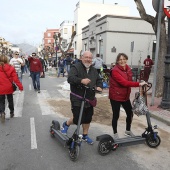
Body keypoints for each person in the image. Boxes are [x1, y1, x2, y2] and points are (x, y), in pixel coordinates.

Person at [61, 51, 103, 144]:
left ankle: (85, 135)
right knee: (77, 118)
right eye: (86, 57)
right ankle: (66, 124)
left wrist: (100, 86)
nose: (88, 59)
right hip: (77, 97)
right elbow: (70, 78)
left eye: (90, 58)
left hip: (89, 98)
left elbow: (99, 79)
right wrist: (81, 80)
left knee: (88, 118)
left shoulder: (94, 70)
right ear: (81, 58)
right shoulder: (75, 67)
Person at [109, 53, 147, 139]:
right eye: (120, 60)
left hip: (125, 96)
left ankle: (128, 131)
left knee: (130, 113)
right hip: (115, 96)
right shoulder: (115, 71)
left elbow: (130, 81)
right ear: (117, 61)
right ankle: (115, 134)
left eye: (124, 59)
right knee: (116, 115)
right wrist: (139, 84)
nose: (122, 61)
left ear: (126, 59)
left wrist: (141, 82)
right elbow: (124, 83)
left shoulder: (128, 69)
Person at [0, 55, 23, 122]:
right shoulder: (11, 68)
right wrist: (20, 87)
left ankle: (2, 112)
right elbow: (16, 79)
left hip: (0, 88)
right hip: (9, 87)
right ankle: (11, 112)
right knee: (10, 100)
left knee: (1, 101)